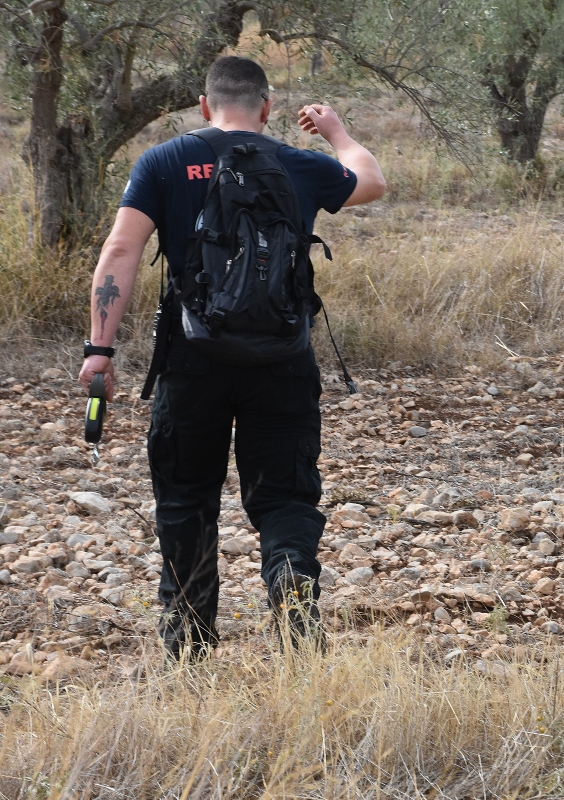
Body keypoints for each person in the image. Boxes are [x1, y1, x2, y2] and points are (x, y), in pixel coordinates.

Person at [76, 56, 386, 661]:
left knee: (186, 496)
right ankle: (291, 586)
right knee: (287, 499)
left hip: (193, 362)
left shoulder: (164, 161)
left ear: (203, 106)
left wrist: (99, 350)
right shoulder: (296, 163)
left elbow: (120, 252)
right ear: (266, 109)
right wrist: (338, 133)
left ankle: (189, 646)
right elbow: (370, 181)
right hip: (283, 359)